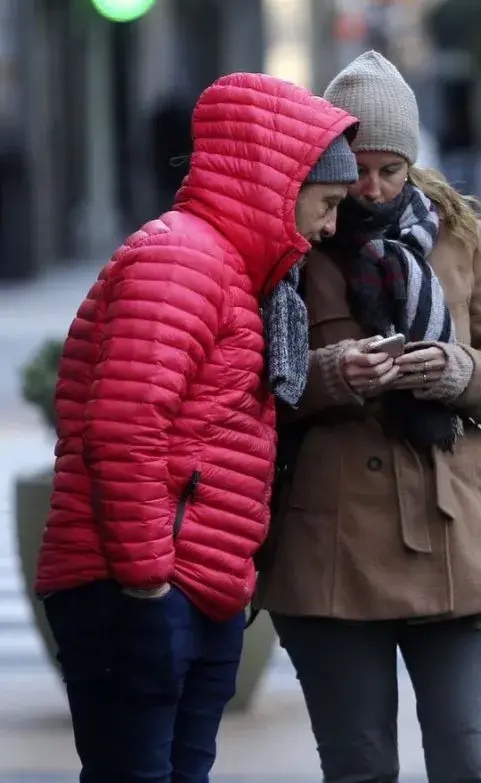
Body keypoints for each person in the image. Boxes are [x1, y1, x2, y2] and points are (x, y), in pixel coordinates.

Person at [35, 73, 360, 782]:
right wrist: (149, 587)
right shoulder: (180, 260)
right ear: (283, 182)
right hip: (142, 585)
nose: (331, 225)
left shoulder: (235, 274)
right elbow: (122, 430)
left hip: (192, 585)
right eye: (329, 202)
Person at [255, 51, 481, 783]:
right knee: (359, 767)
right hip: (333, 544)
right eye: (357, 169)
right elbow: (249, 387)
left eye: (391, 170)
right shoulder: (293, 240)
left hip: (454, 536)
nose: (371, 189)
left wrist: (456, 369)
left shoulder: (458, 233)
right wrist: (331, 374)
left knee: (472, 763)